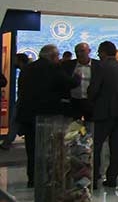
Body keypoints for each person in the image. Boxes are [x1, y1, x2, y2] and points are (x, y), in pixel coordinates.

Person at [14, 45, 78, 187]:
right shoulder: (53, 68)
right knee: (47, 149)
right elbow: (69, 83)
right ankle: (46, 179)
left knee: (31, 149)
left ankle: (32, 178)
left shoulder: (28, 68)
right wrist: (78, 77)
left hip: (28, 115)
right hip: (47, 115)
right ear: (53, 56)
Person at [88, 41, 118, 188]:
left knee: (96, 146)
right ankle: (112, 178)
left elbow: (94, 89)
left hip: (103, 111)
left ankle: (94, 178)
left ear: (103, 52)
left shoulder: (99, 67)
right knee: (117, 147)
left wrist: (90, 100)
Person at [61, 42, 100, 122]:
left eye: (82, 51)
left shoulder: (98, 65)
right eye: (77, 52)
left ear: (89, 51)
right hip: (73, 102)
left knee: (91, 125)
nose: (79, 54)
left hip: (91, 102)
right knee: (73, 126)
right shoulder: (67, 65)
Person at [1, 53, 31, 150]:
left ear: (20, 61)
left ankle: (8, 142)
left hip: (23, 101)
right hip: (24, 101)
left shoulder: (25, 72)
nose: (13, 62)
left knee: (15, 121)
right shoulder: (27, 71)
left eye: (15, 60)